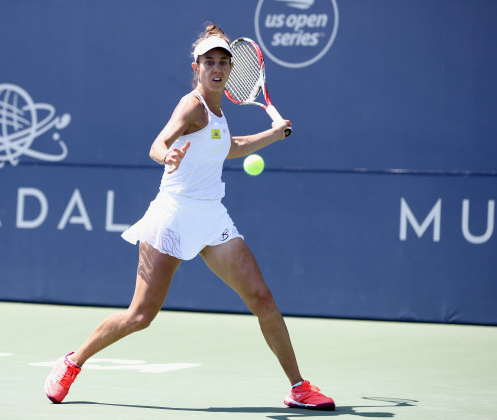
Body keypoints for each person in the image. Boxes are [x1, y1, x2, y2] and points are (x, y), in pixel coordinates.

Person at [44, 23, 335, 411]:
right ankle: (72, 362)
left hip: (212, 217)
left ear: (231, 70)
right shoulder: (193, 105)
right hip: (174, 215)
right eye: (209, 61)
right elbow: (158, 143)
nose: (217, 68)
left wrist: (274, 134)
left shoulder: (216, 111)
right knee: (141, 315)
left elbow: (227, 147)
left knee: (262, 298)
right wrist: (168, 155)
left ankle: (298, 388)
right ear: (196, 67)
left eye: (223, 62)